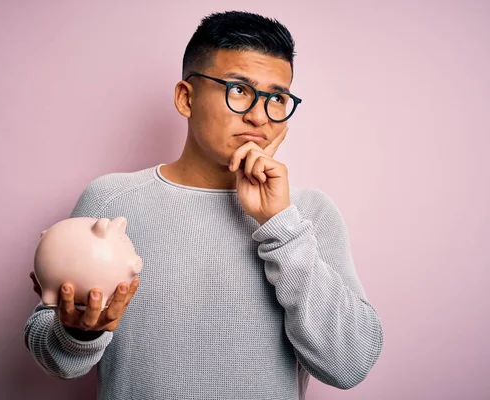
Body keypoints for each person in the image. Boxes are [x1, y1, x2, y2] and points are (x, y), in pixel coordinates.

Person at [23, 10, 384, 400]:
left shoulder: (309, 214)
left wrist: (279, 224)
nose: (259, 116)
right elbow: (52, 351)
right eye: (239, 90)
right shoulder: (112, 201)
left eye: (276, 98)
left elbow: (349, 364)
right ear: (185, 97)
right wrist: (79, 332)